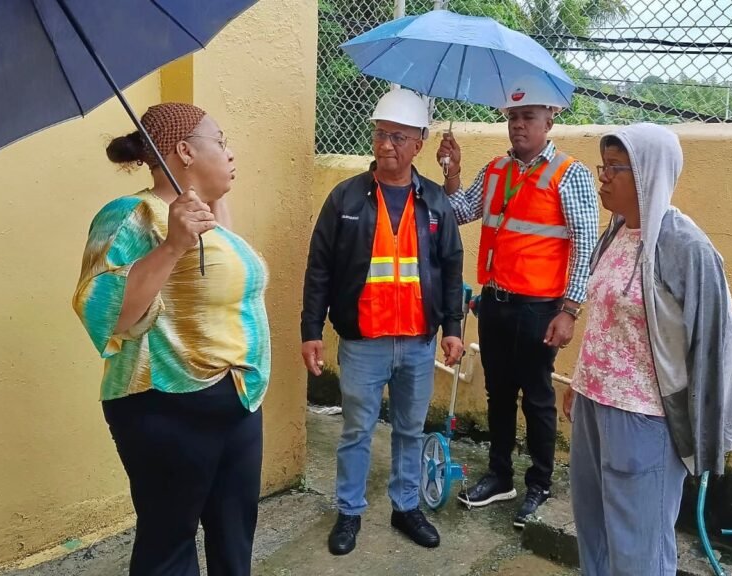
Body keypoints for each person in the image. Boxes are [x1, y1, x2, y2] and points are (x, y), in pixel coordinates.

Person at [72, 102, 270, 576]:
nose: (230, 152)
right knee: (169, 547)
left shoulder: (206, 220)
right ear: (183, 150)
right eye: (219, 141)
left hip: (239, 402)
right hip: (164, 407)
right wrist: (172, 245)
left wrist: (212, 201)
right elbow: (105, 313)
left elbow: (220, 290)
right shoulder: (133, 214)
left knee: (234, 539)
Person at [562, 123, 732, 575]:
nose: (602, 177)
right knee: (594, 531)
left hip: (643, 419)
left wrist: (706, 429)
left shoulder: (684, 247)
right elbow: (605, 323)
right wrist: (578, 383)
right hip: (592, 405)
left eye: (614, 168)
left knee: (639, 547)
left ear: (647, 173)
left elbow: (714, 342)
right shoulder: (617, 233)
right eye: (602, 166)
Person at [300, 89, 465, 556]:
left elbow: (452, 266)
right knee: (356, 430)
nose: (386, 144)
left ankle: (405, 506)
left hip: (417, 340)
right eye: (379, 134)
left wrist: (451, 327)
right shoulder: (346, 197)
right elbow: (320, 268)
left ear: (419, 143)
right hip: (363, 342)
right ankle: (349, 512)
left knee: (410, 430)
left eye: (397, 136)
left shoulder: (434, 200)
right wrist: (311, 331)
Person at [437, 77, 600, 527]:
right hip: (495, 303)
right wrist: (451, 172)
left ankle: (540, 485)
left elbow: (586, 245)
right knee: (498, 393)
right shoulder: (495, 171)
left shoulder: (570, 174)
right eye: (512, 117)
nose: (518, 126)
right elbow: (459, 211)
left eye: (528, 117)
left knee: (538, 399)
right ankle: (500, 475)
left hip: (540, 309)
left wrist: (569, 310)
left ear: (551, 119)